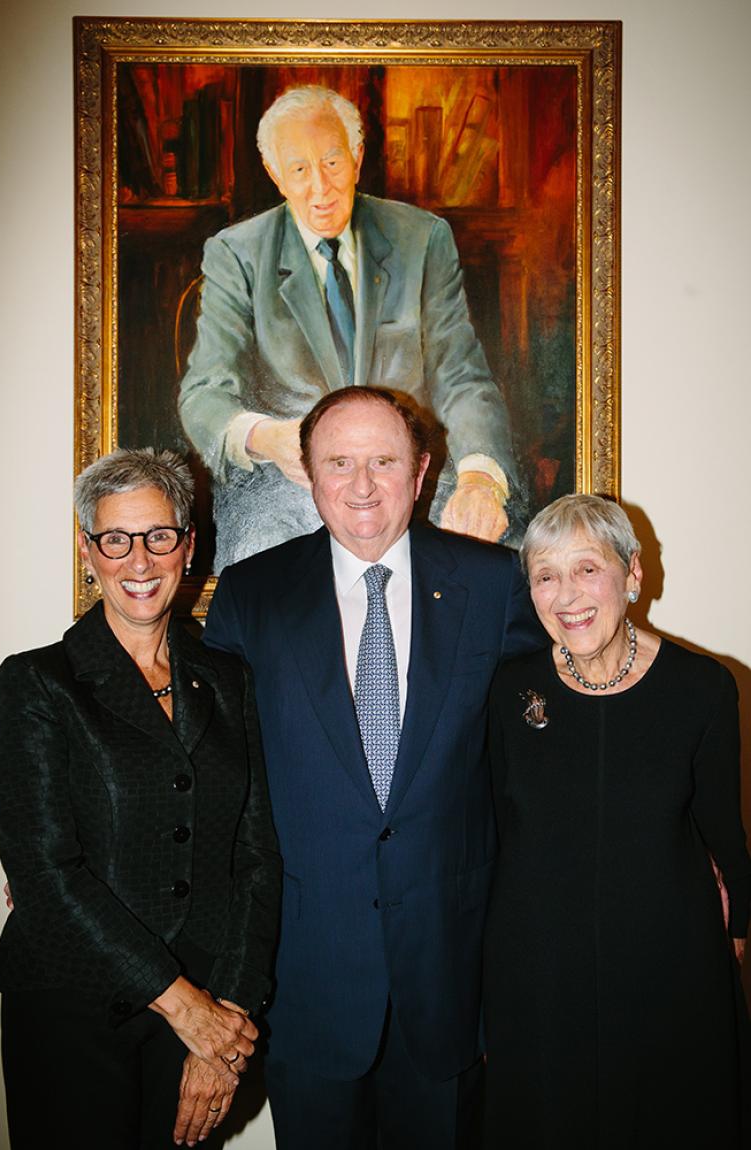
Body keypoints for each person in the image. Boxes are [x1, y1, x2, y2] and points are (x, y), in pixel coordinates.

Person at [203, 386, 546, 1149]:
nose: (362, 487)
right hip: (308, 984)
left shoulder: (495, 585)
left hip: (450, 981)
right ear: (309, 473)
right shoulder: (251, 596)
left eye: (384, 462)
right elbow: (204, 758)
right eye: (339, 463)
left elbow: (566, 722)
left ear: (422, 473)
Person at [0, 448, 281, 1150]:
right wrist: (187, 1010)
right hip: (72, 1012)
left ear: (187, 546)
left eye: (158, 537)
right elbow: (43, 873)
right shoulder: (38, 683)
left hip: (206, 1007)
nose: (138, 561)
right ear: (89, 551)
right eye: (116, 539)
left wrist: (226, 1023)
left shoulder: (229, 679)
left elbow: (257, 855)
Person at [483, 493, 751, 1148]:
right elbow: (489, 832)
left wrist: (736, 931)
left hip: (669, 971)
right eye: (545, 575)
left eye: (586, 568)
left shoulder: (703, 688)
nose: (565, 594)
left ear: (631, 574)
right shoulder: (506, 688)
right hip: (538, 974)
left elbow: (724, 832)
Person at [179, 84, 517, 571]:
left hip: (408, 480)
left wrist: (480, 479)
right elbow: (204, 393)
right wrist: (267, 437)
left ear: (357, 157)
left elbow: (461, 375)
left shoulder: (422, 239)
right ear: (276, 175)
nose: (321, 187)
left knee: (500, 561)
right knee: (266, 577)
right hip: (287, 487)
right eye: (299, 169)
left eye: (333, 162)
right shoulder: (237, 253)